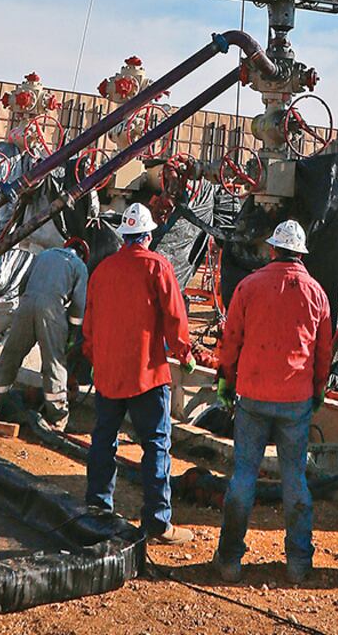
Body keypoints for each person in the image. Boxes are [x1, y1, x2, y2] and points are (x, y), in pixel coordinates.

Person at [212, 220, 333, 585]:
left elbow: (231, 339)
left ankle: (230, 560)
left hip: (252, 395)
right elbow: (323, 350)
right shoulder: (316, 292)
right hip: (296, 399)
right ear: (302, 254)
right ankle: (298, 563)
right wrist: (319, 388)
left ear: (272, 250)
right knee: (295, 479)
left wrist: (224, 379)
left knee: (244, 477)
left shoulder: (249, 286)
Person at [82, 202, 195, 545]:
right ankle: (158, 522)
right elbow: (175, 316)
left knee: (103, 440)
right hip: (147, 373)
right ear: (147, 235)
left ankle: (98, 508)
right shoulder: (157, 267)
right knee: (156, 445)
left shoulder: (102, 270)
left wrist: (93, 356)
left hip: (108, 373)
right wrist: (184, 353)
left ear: (124, 236)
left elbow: (90, 323)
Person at [0, 238, 88, 430]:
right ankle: (57, 418)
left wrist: (27, 303)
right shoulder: (79, 266)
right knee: (54, 363)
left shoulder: (44, 255)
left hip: (26, 303)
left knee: (11, 355)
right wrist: (72, 331)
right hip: (51, 309)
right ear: (83, 254)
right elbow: (78, 305)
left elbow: (23, 283)